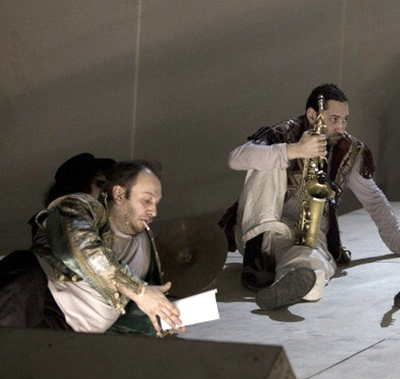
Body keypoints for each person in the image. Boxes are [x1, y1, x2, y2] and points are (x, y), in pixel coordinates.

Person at [227, 83, 400, 310]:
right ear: (312, 115)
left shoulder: (347, 150)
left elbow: (373, 199)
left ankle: (283, 286)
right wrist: (294, 150)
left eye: (345, 120)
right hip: (264, 229)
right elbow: (235, 159)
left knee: (313, 272)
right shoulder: (282, 134)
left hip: (306, 235)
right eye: (334, 119)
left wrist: (397, 241)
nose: (341, 127)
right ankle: (255, 256)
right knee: (268, 160)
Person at [1, 155, 184, 337]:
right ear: (119, 194)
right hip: (39, 297)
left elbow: (138, 308)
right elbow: (78, 247)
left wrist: (169, 315)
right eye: (147, 200)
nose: (154, 211)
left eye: (156, 203)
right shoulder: (82, 205)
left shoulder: (146, 245)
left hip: (72, 334)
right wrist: (138, 290)